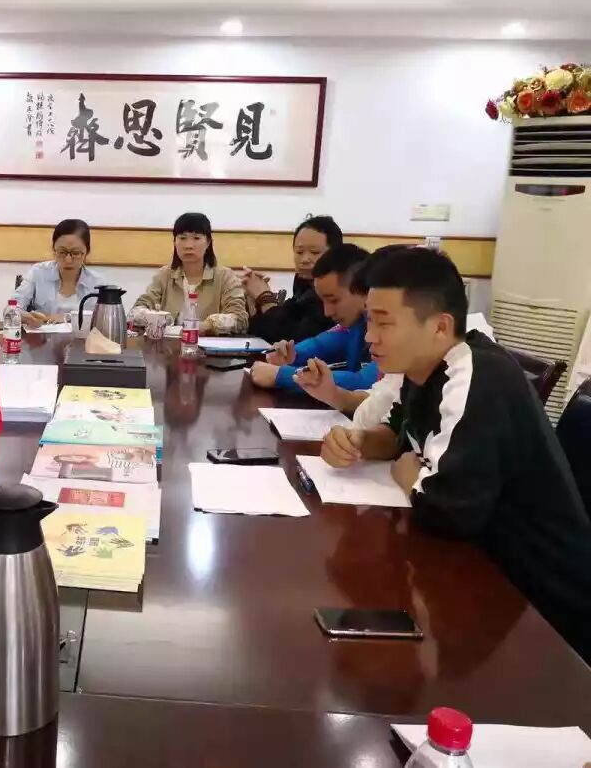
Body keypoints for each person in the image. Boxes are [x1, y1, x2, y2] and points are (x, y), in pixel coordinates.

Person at [321, 246, 591, 662]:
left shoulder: (476, 376)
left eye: (384, 322)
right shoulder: (421, 370)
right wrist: (355, 443)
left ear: (440, 326)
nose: (370, 335)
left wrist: (408, 472)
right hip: (486, 570)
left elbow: (446, 508)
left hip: (543, 608)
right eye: (369, 319)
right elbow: (397, 436)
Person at [249, 244, 379, 393]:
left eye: (334, 300)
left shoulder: (390, 332)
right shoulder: (355, 325)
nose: (327, 312)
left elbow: (366, 384)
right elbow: (319, 345)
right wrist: (289, 354)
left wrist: (281, 376)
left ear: (365, 291)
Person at [130, 212, 248, 335]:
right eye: (182, 238)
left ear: (208, 242)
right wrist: (157, 318)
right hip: (168, 344)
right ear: (174, 242)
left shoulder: (225, 277)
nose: (188, 245)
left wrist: (208, 325)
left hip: (207, 344)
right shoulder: (164, 275)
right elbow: (135, 312)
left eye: (196, 238)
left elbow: (240, 319)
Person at [244, 215, 343, 343]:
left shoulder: (336, 292)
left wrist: (265, 298)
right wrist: (255, 301)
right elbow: (262, 330)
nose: (305, 259)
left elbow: (295, 338)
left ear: (335, 254)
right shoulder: (302, 287)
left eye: (314, 252)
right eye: (299, 252)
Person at [12, 219, 104, 327]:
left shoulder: (97, 283)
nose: (68, 260)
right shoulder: (38, 273)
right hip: (42, 337)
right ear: (54, 250)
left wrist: (66, 318)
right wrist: (25, 316)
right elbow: (12, 308)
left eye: (76, 253)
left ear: (86, 252)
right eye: (62, 252)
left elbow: (103, 321)